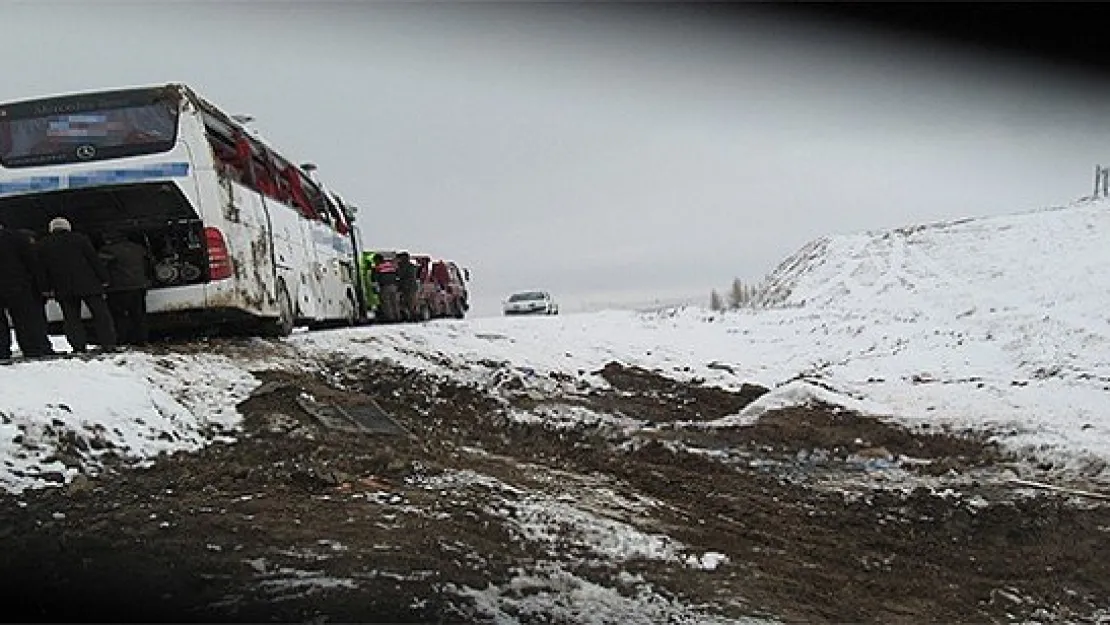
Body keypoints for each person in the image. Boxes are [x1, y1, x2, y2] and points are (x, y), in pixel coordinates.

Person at [37, 217, 117, 354]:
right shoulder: (80, 239)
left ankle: (78, 346)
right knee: (101, 315)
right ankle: (108, 344)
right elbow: (93, 259)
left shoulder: (43, 244)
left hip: (62, 287)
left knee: (71, 319)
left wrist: (46, 288)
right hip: (89, 284)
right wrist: (104, 278)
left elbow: (42, 269)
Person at [0, 222, 52, 361]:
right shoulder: (17, 237)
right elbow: (33, 263)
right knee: (25, 320)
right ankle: (33, 348)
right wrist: (41, 286)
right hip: (18, 285)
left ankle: (2, 351)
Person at [99, 230, 153, 346]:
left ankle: (122, 339)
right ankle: (142, 339)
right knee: (138, 314)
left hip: (119, 288)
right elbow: (148, 263)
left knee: (119, 316)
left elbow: (100, 266)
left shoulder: (108, 251)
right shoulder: (138, 248)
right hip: (139, 285)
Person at [396, 251, 418, 321]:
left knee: (408, 303)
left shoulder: (405, 266)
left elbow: (400, 274)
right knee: (411, 303)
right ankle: (413, 317)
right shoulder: (412, 266)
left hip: (407, 287)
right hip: (411, 287)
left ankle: (412, 317)